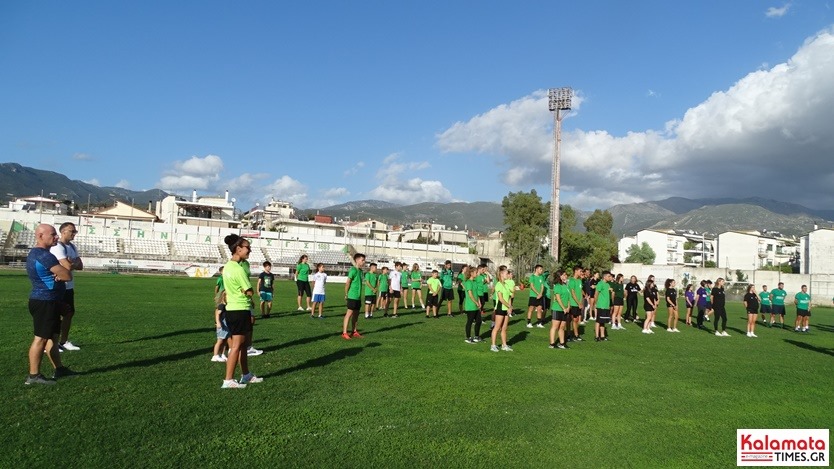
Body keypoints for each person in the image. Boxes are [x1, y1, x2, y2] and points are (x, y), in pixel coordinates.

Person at [25, 224, 75, 385]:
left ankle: (59, 369)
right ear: (40, 236)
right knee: (40, 339)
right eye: (53, 234)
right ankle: (33, 376)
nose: (56, 237)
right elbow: (67, 275)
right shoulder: (44, 255)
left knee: (52, 337)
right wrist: (61, 274)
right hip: (44, 301)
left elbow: (63, 275)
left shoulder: (40, 254)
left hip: (50, 301)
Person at [220, 234, 263, 388]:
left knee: (243, 345)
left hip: (235, 308)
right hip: (239, 309)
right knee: (237, 346)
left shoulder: (227, 267)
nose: (249, 250)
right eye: (247, 247)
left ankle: (246, 375)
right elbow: (249, 290)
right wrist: (250, 296)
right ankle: (228, 380)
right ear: (238, 249)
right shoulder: (238, 269)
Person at [50, 222, 83, 352]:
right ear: (63, 231)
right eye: (72, 231)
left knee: (69, 313)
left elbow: (80, 265)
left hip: (68, 286)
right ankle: (51, 343)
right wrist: (72, 263)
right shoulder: (58, 246)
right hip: (58, 286)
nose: (74, 233)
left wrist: (71, 263)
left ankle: (63, 341)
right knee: (55, 315)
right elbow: (67, 266)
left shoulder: (73, 247)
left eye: (75, 231)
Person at [342, 253, 366, 339]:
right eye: (362, 260)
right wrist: (346, 294)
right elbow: (348, 283)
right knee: (349, 314)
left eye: (364, 260)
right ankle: (344, 333)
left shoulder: (360, 271)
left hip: (358, 297)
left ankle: (354, 331)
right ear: (357, 260)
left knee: (356, 315)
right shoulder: (353, 270)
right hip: (352, 296)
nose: (364, 262)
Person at [490, 266, 513, 352]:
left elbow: (509, 297)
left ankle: (504, 345)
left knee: (504, 328)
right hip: (500, 308)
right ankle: (493, 345)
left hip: (506, 308)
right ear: (502, 274)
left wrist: (509, 307)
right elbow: (501, 299)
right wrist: (509, 306)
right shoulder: (498, 284)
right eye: (507, 273)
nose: (508, 275)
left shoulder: (506, 284)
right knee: (497, 327)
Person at [549, 270, 570, 349]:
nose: (566, 276)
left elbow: (568, 298)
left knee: (562, 327)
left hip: (565, 309)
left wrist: (568, 307)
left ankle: (562, 343)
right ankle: (552, 344)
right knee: (555, 326)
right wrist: (563, 308)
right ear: (560, 276)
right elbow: (558, 298)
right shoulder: (557, 286)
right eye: (564, 275)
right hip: (557, 309)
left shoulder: (565, 286)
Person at [463, 266, 483, 344]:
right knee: (470, 321)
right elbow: (470, 294)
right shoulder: (468, 282)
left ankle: (476, 336)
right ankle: (468, 337)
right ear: (471, 273)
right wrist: (476, 302)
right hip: (470, 306)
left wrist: (479, 302)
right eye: (475, 272)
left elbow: (476, 294)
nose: (476, 273)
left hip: (476, 306)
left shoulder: (474, 282)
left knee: (479, 321)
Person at [567, 266, 584, 342]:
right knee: (572, 319)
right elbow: (572, 293)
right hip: (573, 303)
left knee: (576, 319)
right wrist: (578, 302)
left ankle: (574, 334)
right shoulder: (571, 280)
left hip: (578, 304)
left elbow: (580, 291)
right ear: (576, 271)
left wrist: (581, 302)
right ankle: (572, 335)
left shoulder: (579, 281)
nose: (581, 273)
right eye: (580, 271)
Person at [594, 271, 613, 341]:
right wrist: (596, 303)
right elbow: (596, 294)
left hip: (606, 306)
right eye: (609, 276)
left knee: (603, 321)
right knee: (598, 320)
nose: (610, 277)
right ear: (604, 277)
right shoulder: (600, 284)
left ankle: (602, 336)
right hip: (601, 305)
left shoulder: (607, 285)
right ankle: (596, 336)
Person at [212, 291, 230, 362]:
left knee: (225, 340)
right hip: (222, 325)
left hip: (226, 325)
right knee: (220, 340)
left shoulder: (227, 305)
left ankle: (223, 354)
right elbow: (217, 314)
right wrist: (218, 323)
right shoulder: (222, 306)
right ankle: (215, 355)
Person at [526, 264, 545, 329]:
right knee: (531, 309)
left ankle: (539, 323)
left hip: (540, 296)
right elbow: (532, 286)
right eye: (540, 269)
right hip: (533, 295)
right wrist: (537, 293)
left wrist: (540, 294)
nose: (541, 270)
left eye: (542, 269)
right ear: (536, 269)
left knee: (539, 309)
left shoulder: (541, 277)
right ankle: (528, 322)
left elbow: (542, 286)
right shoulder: (532, 277)